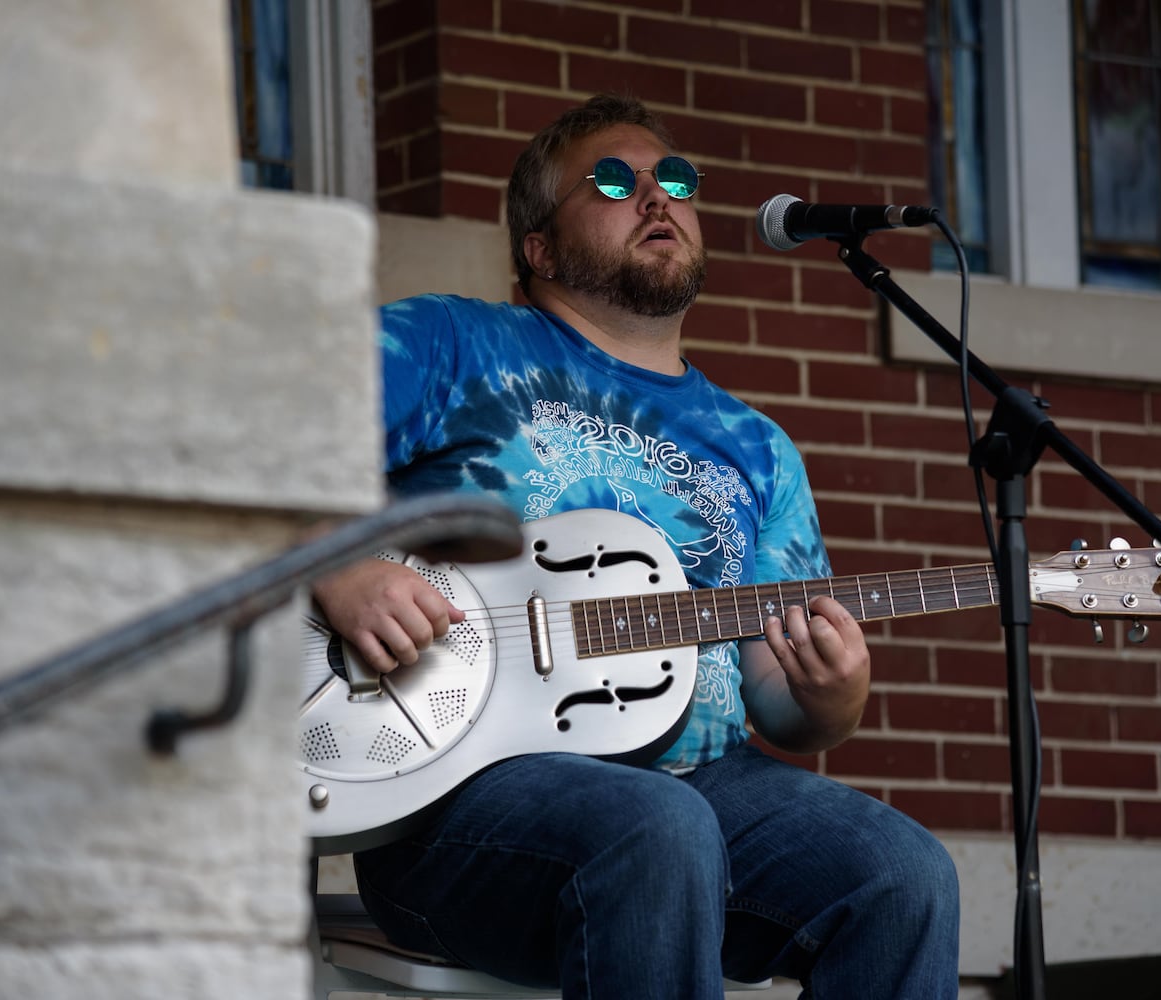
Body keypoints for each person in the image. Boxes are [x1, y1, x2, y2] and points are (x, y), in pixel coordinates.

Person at [312, 93, 960, 999]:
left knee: (903, 876)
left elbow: (783, 708)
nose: (658, 197)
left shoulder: (760, 447)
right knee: (659, 827)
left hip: (704, 783)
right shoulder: (452, 344)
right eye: (614, 180)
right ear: (538, 246)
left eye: (677, 180)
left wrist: (833, 695)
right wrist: (338, 562)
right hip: (453, 796)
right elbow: (260, 443)